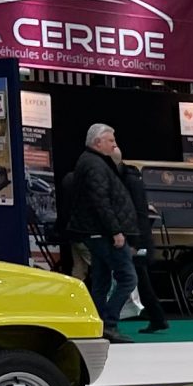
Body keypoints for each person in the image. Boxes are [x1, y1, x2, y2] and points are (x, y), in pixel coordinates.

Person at [62, 123, 139, 342]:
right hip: (102, 233)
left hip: (95, 232)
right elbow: (100, 201)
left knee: (102, 279)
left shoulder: (92, 162)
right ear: (98, 142)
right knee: (127, 278)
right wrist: (115, 230)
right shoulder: (95, 165)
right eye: (111, 141)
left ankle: (97, 322)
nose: (115, 145)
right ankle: (109, 322)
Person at [119, 152, 170, 334]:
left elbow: (135, 212)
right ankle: (157, 318)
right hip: (139, 238)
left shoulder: (128, 183)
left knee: (133, 279)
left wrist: (136, 241)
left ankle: (109, 317)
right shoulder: (135, 181)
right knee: (140, 280)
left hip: (136, 238)